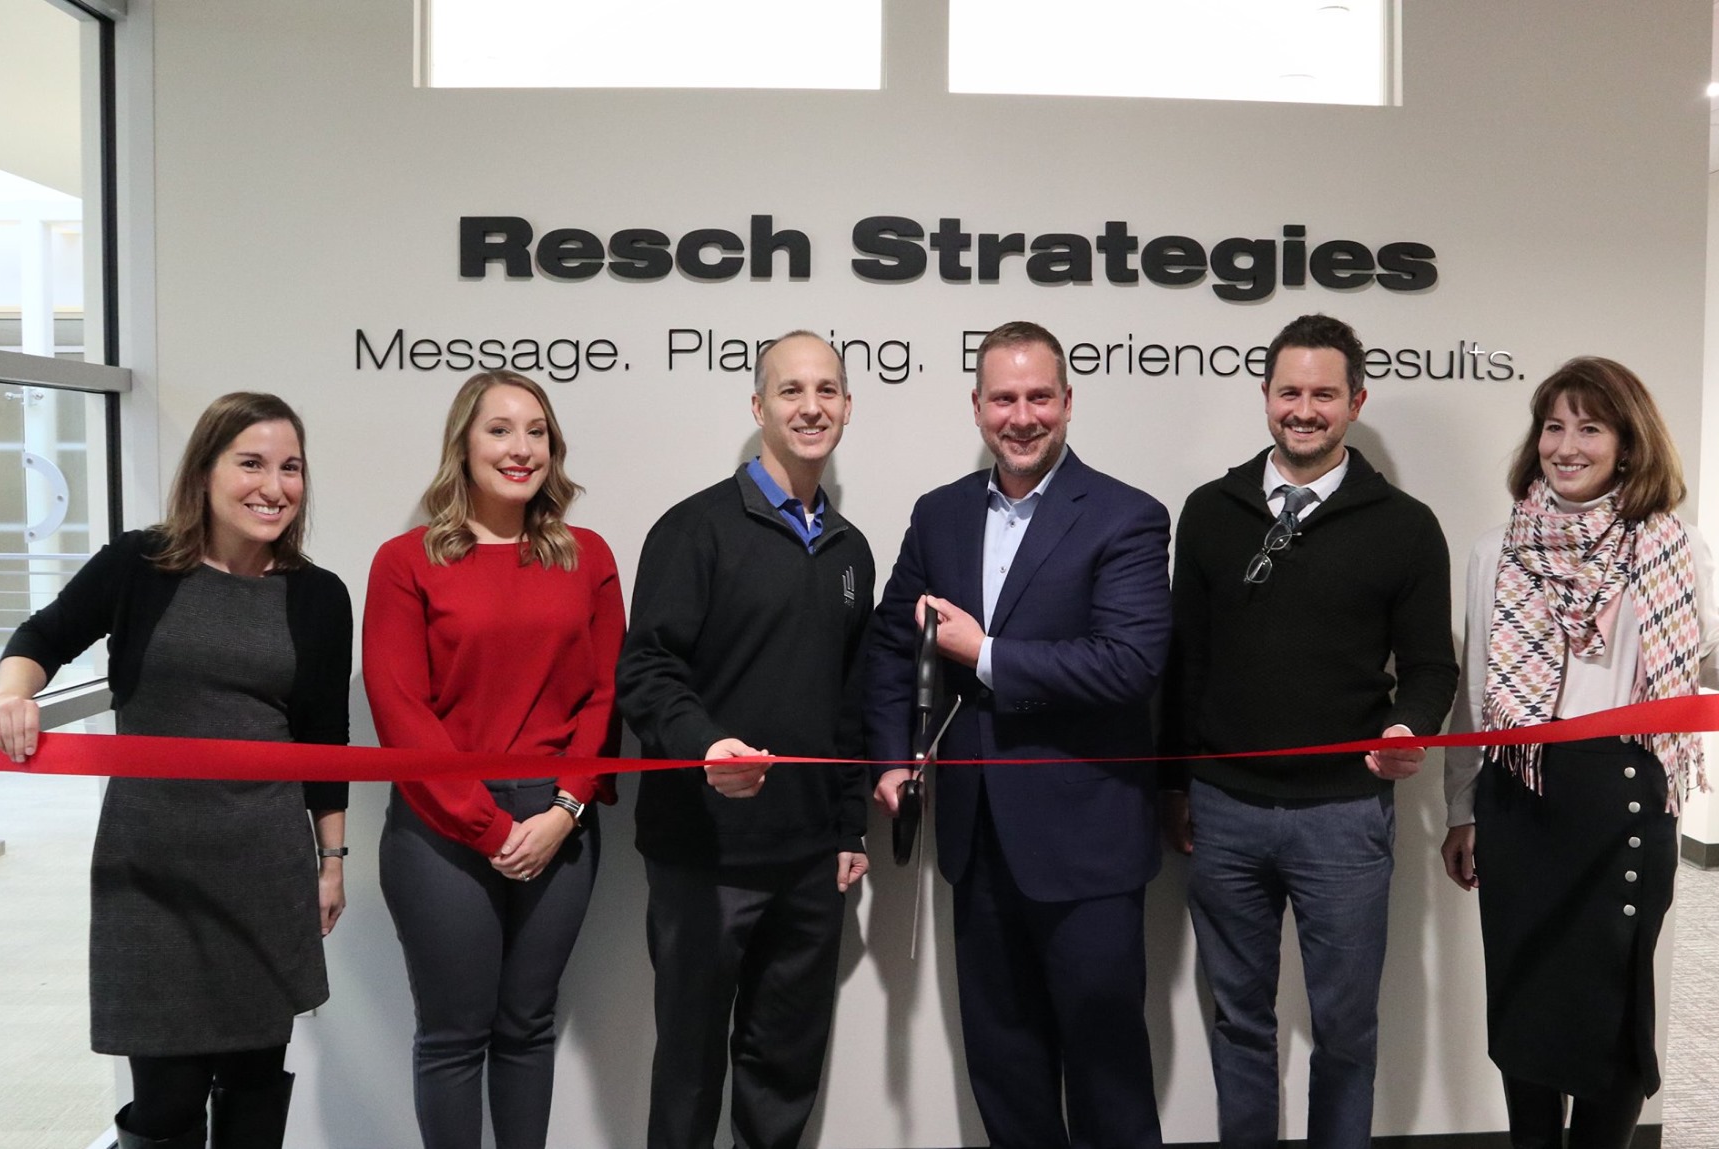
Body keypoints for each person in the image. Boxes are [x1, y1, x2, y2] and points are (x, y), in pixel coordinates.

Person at [1440, 357, 1719, 1149]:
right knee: (1524, 999)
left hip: (1625, 798)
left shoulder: (1672, 545)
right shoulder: (1494, 550)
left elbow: (1702, 647)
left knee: (1614, 1006)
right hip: (1520, 794)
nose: (1566, 445)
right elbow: (1475, 690)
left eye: (1590, 427)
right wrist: (1461, 807)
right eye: (1553, 426)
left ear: (1628, 445)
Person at [0, 392, 351, 1149]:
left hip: (263, 873)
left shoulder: (319, 595)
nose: (272, 486)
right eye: (250, 463)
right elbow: (44, 634)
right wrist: (13, 692)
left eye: (291, 468)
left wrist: (333, 860)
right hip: (150, 872)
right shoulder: (140, 565)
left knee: (253, 1088)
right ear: (206, 472)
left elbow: (325, 737)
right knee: (165, 1105)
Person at [867, 319, 1172, 1149]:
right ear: (977, 407)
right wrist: (895, 756)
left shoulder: (1128, 516)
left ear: (1069, 403)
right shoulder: (939, 516)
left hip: (1088, 846)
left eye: (1040, 396)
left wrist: (985, 652)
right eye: (1004, 398)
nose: (1022, 415)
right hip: (976, 841)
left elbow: (1128, 663)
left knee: (1107, 1073)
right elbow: (893, 643)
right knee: (1004, 1071)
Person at [1158, 312, 1458, 1149]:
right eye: (1289, 390)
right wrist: (1175, 784)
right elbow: (1187, 660)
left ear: (1355, 401)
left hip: (1345, 819)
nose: (1305, 408)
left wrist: (1410, 725)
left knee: (1347, 1033)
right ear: (1265, 397)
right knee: (1240, 1022)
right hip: (1223, 813)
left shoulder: (1405, 525)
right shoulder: (1211, 512)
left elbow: (1432, 664)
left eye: (1324, 393)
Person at [616, 330, 875, 1149]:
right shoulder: (694, 529)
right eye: (791, 390)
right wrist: (707, 746)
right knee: (690, 1069)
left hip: (807, 863)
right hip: (704, 853)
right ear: (758, 407)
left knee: (784, 1067)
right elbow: (647, 671)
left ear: (846, 407)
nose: (811, 406)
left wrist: (848, 825)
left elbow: (849, 702)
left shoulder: (851, 551)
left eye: (827, 389)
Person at [365, 370, 625, 1149]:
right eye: (500, 429)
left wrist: (563, 811)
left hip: (559, 823)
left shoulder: (589, 556)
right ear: (463, 445)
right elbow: (400, 707)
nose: (521, 448)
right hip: (440, 831)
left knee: (526, 1026)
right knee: (452, 1034)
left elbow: (603, 698)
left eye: (536, 431)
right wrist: (485, 824)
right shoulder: (404, 561)